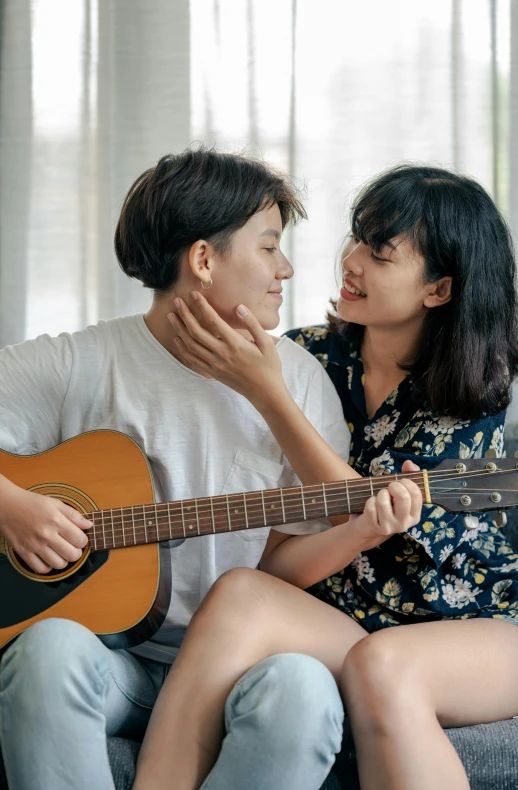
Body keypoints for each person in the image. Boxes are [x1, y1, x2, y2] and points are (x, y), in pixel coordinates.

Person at [0, 149, 420, 790]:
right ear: (203, 259)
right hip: (113, 661)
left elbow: (283, 560)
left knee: (304, 687)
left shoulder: (300, 383)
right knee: (48, 647)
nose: (285, 270)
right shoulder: (79, 362)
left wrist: (363, 527)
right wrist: (14, 506)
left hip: (239, 666)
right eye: (269, 246)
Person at [134, 164, 518, 790]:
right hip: (349, 624)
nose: (352, 261)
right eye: (357, 239)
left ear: (439, 289)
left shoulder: (472, 389)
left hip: (476, 631)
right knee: (238, 591)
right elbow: (292, 554)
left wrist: (267, 393)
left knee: (386, 665)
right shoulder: (308, 355)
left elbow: (359, 508)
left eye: (381, 253)